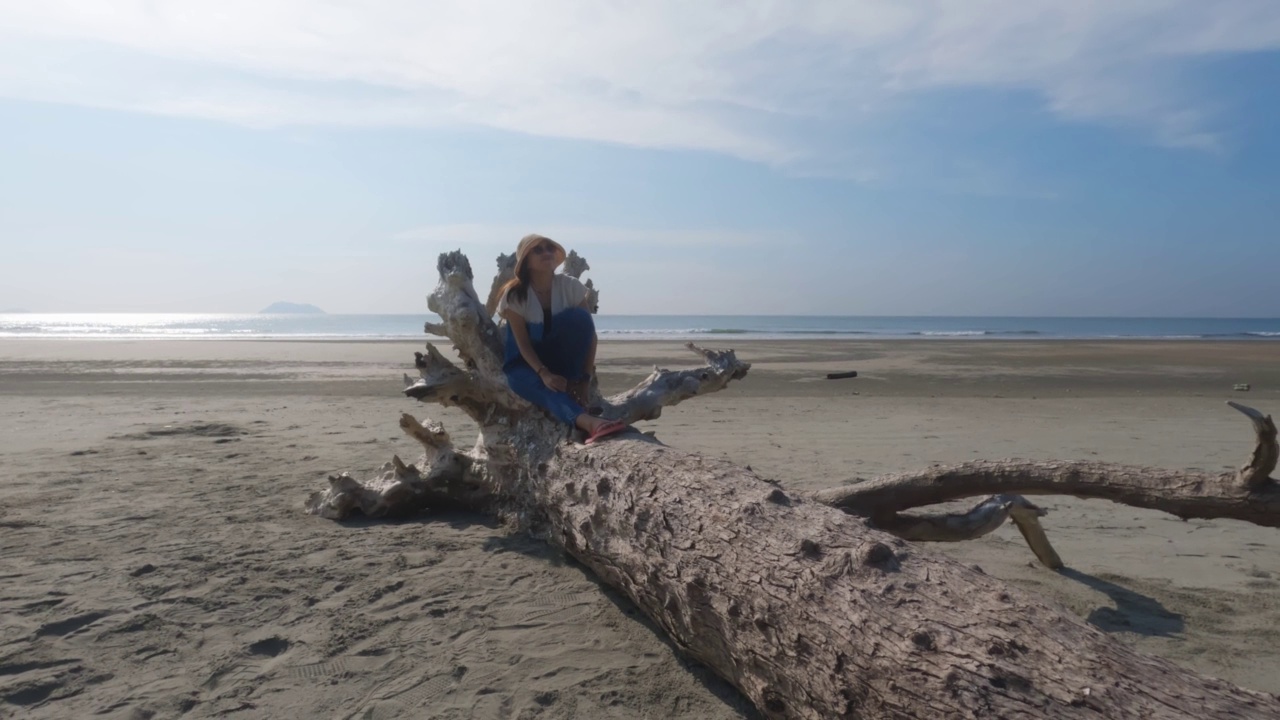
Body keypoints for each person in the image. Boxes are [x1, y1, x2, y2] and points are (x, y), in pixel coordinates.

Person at [497, 234, 628, 444]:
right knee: (548, 391)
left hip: (560, 359)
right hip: (523, 365)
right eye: (537, 250)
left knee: (578, 318)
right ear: (525, 261)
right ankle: (591, 423)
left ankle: (577, 393)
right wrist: (544, 373)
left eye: (549, 248)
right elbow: (522, 344)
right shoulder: (515, 294)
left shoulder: (570, 286)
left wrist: (584, 379)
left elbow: (589, 335)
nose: (546, 253)